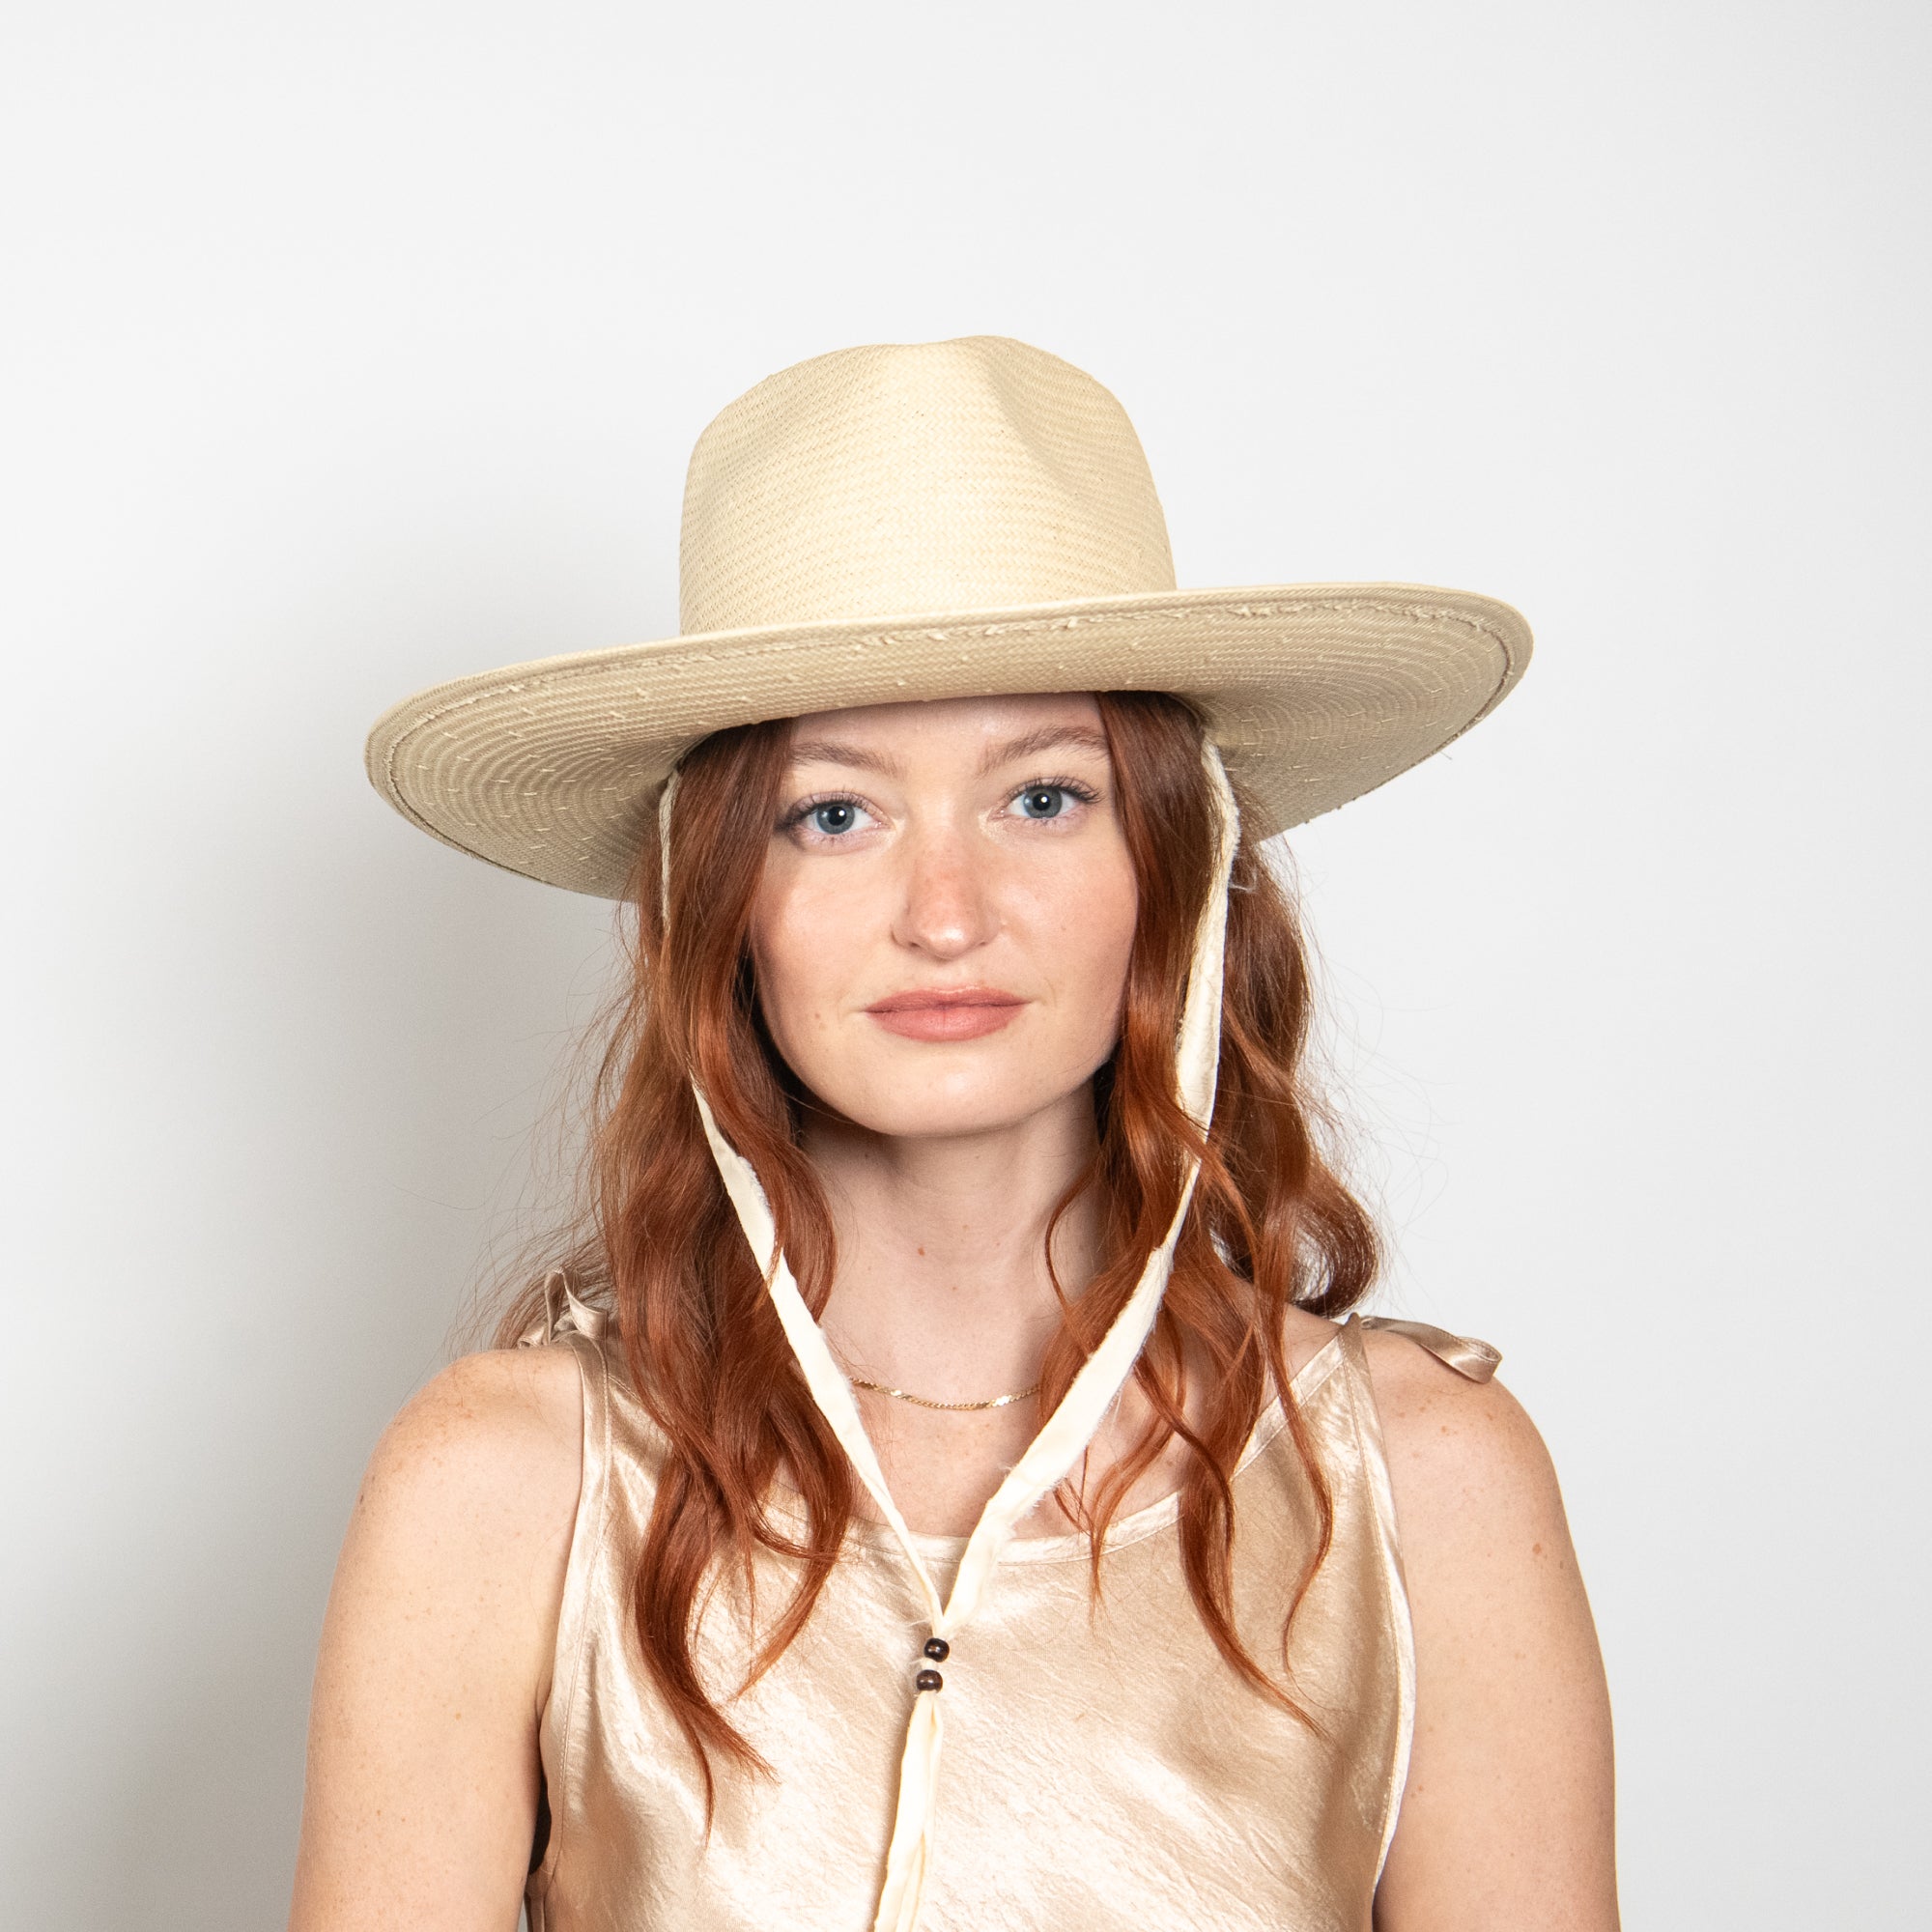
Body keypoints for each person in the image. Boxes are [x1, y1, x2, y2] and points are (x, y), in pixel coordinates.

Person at [291, 337, 1617, 1931]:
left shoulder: (1424, 1476)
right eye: (832, 812)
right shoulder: (507, 1483)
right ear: (724, 904)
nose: (945, 915)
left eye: (1043, 797)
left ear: (1175, 870)